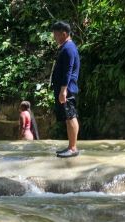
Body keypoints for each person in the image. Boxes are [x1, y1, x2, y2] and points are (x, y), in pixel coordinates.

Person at [50, 21, 81, 158]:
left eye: (56, 34)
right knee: (68, 117)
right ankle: (71, 146)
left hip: (67, 89)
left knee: (71, 116)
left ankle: (73, 148)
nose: (54, 37)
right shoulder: (67, 47)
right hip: (65, 88)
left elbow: (68, 70)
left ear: (64, 34)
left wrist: (64, 90)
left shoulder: (68, 48)